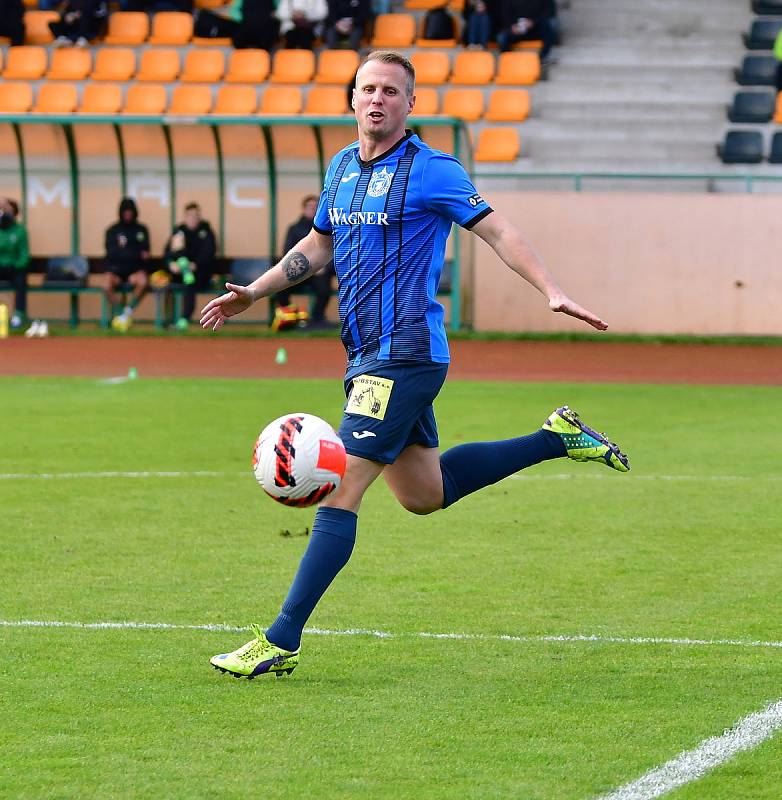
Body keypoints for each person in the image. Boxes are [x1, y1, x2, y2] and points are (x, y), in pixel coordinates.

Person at [200, 50, 630, 679]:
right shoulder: (342, 168)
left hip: (404, 355)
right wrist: (254, 292)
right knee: (424, 495)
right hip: (364, 354)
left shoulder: (432, 170)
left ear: (410, 103)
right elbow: (318, 245)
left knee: (340, 489)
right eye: (367, 89)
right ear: (352, 98)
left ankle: (280, 639)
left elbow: (498, 231)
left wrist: (550, 288)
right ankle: (555, 438)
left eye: (391, 92)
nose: (377, 100)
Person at [274, 194, 337, 330]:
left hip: (319, 272)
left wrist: (322, 266)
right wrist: (305, 266)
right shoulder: (294, 228)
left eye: (316, 207)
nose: (313, 210)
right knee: (280, 285)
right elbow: (288, 251)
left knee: (323, 287)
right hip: (300, 270)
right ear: (303, 209)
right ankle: (287, 318)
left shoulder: (328, 228)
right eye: (310, 207)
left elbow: (332, 250)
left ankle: (317, 319)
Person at [162, 202, 217, 331]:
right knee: (168, 285)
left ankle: (184, 319)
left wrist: (195, 265)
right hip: (180, 273)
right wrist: (171, 265)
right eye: (190, 215)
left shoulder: (206, 231)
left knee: (190, 283)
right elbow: (167, 254)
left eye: (196, 215)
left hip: (201, 274)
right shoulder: (179, 231)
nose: (193, 218)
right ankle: (168, 320)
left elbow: (209, 254)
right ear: (185, 217)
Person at [104, 197, 150, 332]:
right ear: (121, 212)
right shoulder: (112, 230)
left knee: (143, 281)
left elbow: (146, 255)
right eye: (125, 211)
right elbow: (111, 253)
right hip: (116, 270)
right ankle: (121, 314)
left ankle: (127, 312)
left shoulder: (142, 229)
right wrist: (134, 253)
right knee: (106, 284)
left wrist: (124, 252)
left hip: (134, 271)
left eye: (130, 211)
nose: (128, 214)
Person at [194, 0, 280, 50]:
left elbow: (279, 11)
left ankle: (262, 59)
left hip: (265, 26)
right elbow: (234, 11)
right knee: (239, 36)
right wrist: (247, 20)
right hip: (247, 25)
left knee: (267, 34)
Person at [0, 198, 30, 330]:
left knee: (21, 278)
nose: (4, 214)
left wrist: (16, 265)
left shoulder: (20, 230)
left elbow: (24, 255)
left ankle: (18, 315)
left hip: (14, 268)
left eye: (7, 210)